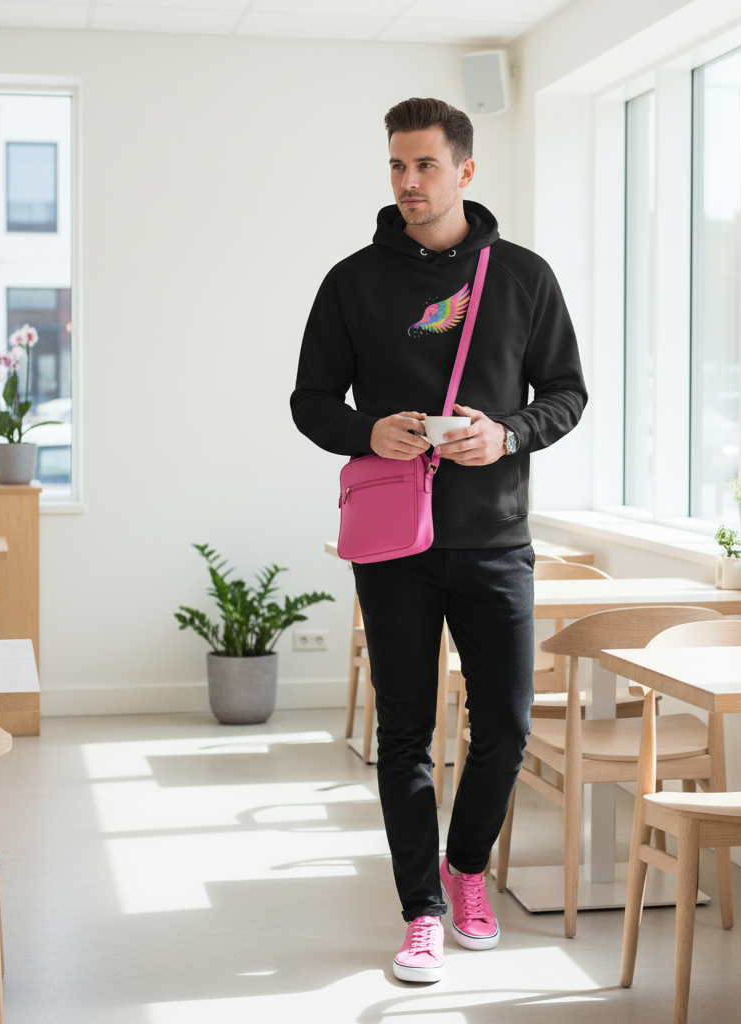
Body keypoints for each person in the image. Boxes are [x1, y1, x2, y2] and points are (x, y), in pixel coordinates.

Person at [290, 97, 587, 984]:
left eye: (425, 165)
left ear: (464, 171)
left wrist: (508, 434)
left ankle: (466, 873)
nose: (408, 182)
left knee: (504, 726)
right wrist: (366, 431)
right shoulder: (353, 281)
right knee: (408, 735)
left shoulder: (524, 277)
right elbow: (311, 402)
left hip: (496, 539)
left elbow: (566, 392)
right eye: (396, 166)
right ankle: (420, 911)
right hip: (397, 545)